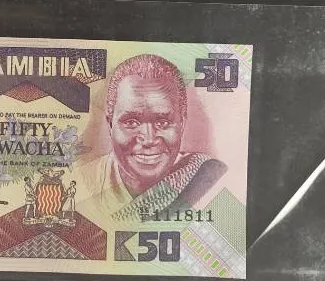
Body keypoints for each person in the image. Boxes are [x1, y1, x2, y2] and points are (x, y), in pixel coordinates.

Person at [81, 53, 226, 219]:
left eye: (163, 122)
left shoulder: (209, 177)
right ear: (110, 125)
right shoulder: (81, 182)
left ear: (182, 124)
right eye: (131, 122)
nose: (149, 139)